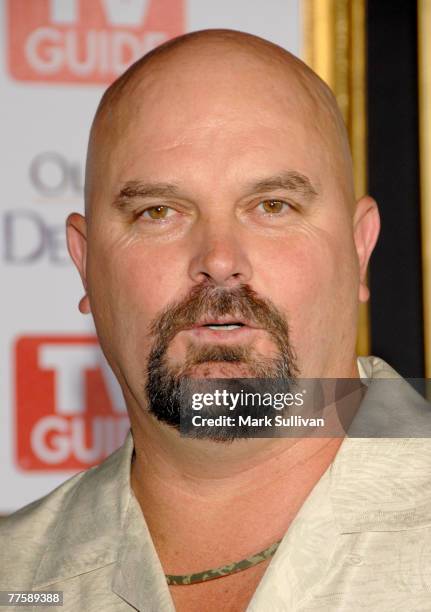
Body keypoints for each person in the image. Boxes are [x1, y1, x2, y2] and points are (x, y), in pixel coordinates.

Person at [1, 28, 431, 612]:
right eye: (159, 212)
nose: (220, 260)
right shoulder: (15, 576)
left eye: (273, 206)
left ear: (360, 249)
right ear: (85, 264)